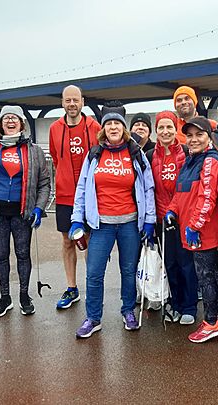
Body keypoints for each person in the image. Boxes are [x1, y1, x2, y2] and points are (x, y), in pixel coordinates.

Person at [70, 106, 155, 338]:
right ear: (103, 129)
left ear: (124, 129)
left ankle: (128, 310)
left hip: (129, 224)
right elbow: (82, 187)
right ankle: (93, 318)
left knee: (128, 271)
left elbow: (148, 188)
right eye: (109, 124)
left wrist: (150, 220)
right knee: (94, 273)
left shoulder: (135, 153)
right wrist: (77, 220)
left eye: (117, 123)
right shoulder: (94, 154)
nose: (113, 127)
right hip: (101, 225)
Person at [0, 106, 51, 317]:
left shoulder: (33, 150)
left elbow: (44, 182)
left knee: (23, 254)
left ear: (22, 123)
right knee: (1, 255)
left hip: (22, 213)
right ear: (1, 123)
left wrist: (40, 208)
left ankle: (24, 295)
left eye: (15, 118)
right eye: (6, 118)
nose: (11, 121)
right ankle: (5, 297)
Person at [165, 116, 218, 343]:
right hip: (190, 229)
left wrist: (194, 226)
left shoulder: (210, 160)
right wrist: (171, 211)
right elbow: (180, 194)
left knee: (207, 276)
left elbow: (208, 196)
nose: (193, 140)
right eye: (189, 135)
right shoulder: (189, 160)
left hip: (203, 231)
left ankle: (212, 322)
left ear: (209, 137)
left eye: (199, 135)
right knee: (208, 274)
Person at [49, 85, 101, 310]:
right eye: (67, 100)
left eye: (75, 100)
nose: (72, 104)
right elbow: (55, 157)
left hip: (90, 194)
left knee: (89, 240)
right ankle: (72, 288)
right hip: (65, 195)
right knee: (68, 240)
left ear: (82, 101)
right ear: (62, 102)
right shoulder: (54, 128)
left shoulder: (94, 127)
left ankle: (92, 286)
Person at [145, 111, 197, 325]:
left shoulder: (187, 152)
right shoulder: (149, 155)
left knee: (186, 264)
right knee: (169, 264)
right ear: (156, 131)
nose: (165, 131)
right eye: (161, 128)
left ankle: (190, 306)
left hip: (183, 218)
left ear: (176, 129)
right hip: (160, 219)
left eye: (169, 127)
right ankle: (174, 303)